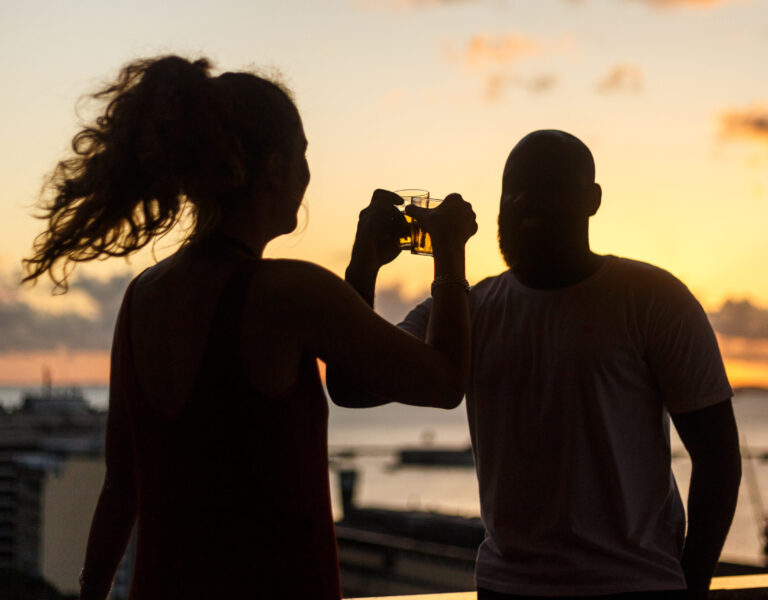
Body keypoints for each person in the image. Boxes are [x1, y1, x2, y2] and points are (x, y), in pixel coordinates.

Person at [21, 55, 477, 600]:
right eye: (304, 156)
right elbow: (446, 382)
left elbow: (123, 486)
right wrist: (450, 254)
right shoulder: (290, 293)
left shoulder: (142, 297)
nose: (309, 176)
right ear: (276, 166)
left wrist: (91, 592)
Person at [327, 130, 742, 599]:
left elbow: (719, 458)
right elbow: (351, 385)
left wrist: (693, 586)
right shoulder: (470, 308)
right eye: (513, 188)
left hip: (634, 584)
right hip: (508, 588)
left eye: (546, 187)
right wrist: (363, 265)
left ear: (592, 200)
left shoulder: (653, 300)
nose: (524, 201)